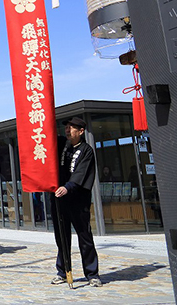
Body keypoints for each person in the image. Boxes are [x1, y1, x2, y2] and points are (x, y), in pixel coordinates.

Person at [51, 117, 102, 288]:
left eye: (72, 128)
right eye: (66, 127)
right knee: (61, 238)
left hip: (78, 200)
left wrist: (68, 187)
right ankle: (63, 272)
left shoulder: (86, 150)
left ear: (81, 131)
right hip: (60, 199)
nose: (67, 130)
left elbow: (81, 174)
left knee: (84, 236)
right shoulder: (62, 146)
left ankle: (92, 274)